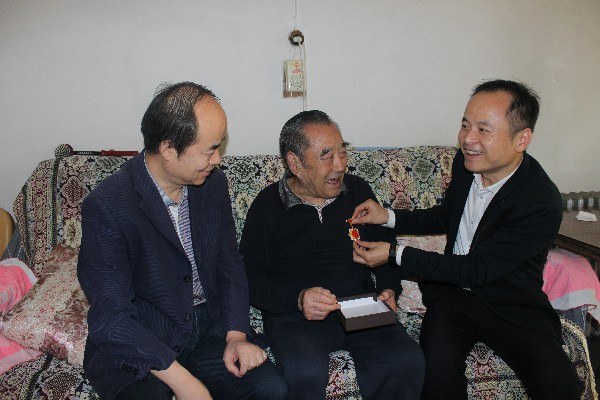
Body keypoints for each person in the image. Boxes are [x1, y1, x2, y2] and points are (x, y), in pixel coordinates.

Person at [351, 79, 582, 399]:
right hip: (453, 297)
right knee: (437, 374)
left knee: (559, 384)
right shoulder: (467, 163)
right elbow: (447, 216)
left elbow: (476, 269)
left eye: (483, 130)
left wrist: (394, 254)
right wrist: (387, 216)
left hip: (510, 303)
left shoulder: (539, 201)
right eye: (465, 125)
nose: (467, 139)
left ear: (521, 139)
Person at [77, 82, 287, 400]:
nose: (217, 159)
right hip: (142, 333)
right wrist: (184, 382)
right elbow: (111, 318)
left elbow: (229, 263)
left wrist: (235, 334)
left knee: (271, 389)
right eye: (209, 150)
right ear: (168, 149)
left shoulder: (212, 185)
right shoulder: (107, 205)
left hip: (208, 328)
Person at [239, 110, 425, 400]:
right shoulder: (268, 205)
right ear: (295, 163)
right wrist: (298, 298)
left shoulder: (358, 191)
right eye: (327, 156)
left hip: (360, 305)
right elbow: (249, 277)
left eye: (342, 152)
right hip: (297, 315)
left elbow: (385, 248)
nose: (340, 165)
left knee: (406, 360)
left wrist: (390, 289)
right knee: (304, 372)